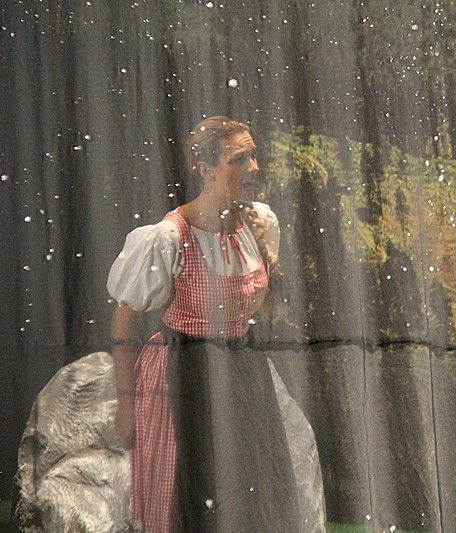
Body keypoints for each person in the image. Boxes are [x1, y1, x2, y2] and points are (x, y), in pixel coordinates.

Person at [109, 116, 325, 532]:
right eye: (238, 159)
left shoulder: (259, 223)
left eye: (253, 155)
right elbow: (124, 322)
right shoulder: (169, 237)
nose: (253, 167)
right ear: (206, 169)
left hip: (242, 368)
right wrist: (125, 404)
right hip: (183, 371)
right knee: (194, 486)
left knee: (257, 484)